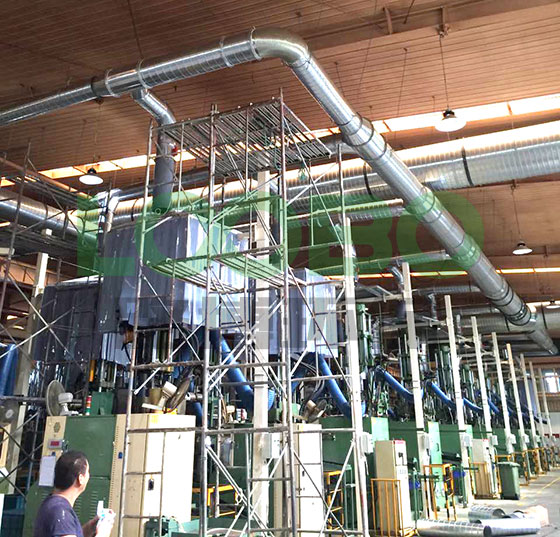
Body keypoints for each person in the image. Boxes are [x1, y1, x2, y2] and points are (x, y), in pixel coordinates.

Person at [33, 451, 106, 537]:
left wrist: (91, 527)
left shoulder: (54, 505)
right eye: (88, 472)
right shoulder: (60, 511)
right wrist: (103, 533)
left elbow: (69, 533)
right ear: (80, 479)